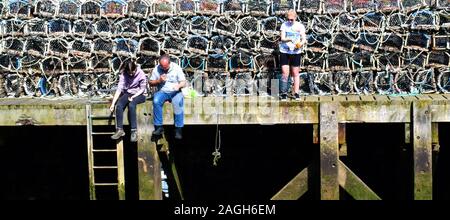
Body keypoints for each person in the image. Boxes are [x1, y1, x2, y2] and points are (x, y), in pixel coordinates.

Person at [149, 54, 187, 139]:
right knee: (156, 101)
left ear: (169, 63)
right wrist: (159, 80)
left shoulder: (176, 68)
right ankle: (159, 127)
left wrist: (178, 86)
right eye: (162, 67)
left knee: (178, 103)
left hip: (175, 91)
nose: (164, 69)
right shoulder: (157, 69)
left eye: (166, 67)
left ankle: (178, 129)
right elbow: (150, 83)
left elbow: (183, 82)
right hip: (163, 91)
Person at [110, 60, 147, 142]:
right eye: (129, 72)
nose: (130, 74)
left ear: (135, 69)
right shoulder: (123, 74)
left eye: (132, 72)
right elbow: (119, 90)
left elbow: (142, 89)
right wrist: (113, 104)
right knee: (119, 106)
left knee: (131, 105)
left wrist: (134, 96)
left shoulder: (141, 74)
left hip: (140, 94)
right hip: (128, 93)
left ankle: (134, 131)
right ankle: (119, 130)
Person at [279, 9, 307, 101]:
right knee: (285, 73)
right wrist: (289, 40)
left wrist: (300, 44)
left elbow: (304, 39)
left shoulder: (300, 26)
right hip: (285, 51)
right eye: (289, 19)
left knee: (295, 73)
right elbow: (282, 38)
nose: (290, 21)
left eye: (292, 19)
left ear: (295, 17)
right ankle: (283, 93)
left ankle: (296, 93)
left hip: (295, 52)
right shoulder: (284, 25)